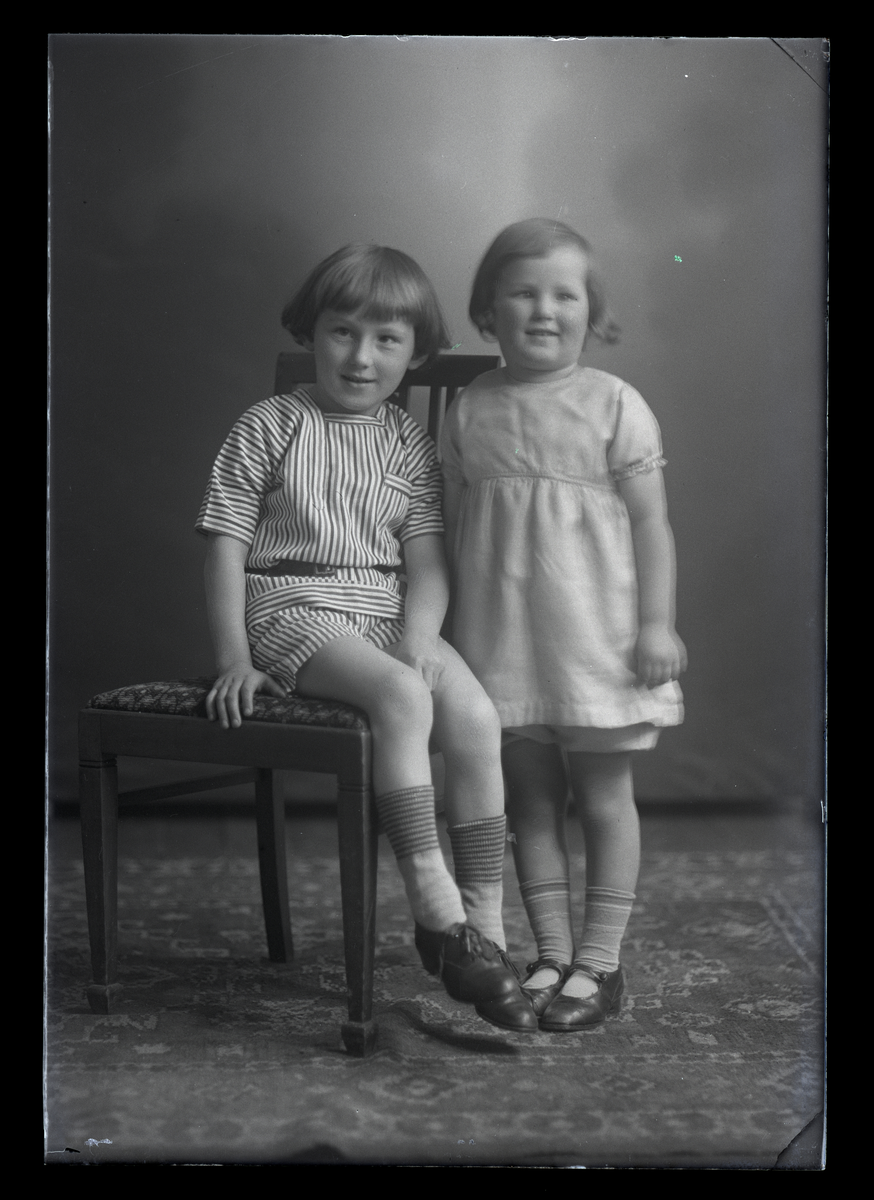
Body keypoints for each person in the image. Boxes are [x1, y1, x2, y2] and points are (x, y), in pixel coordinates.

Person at [195, 243, 536, 1032]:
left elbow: (428, 562)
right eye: (342, 332)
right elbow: (224, 546)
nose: (361, 356)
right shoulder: (269, 424)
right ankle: (434, 904)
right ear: (311, 333)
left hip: (384, 609)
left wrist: (417, 638)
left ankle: (482, 929)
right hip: (291, 604)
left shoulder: (408, 442)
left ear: (415, 352)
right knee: (401, 695)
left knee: (476, 717)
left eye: (387, 340)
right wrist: (232, 658)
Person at [441, 219, 687, 1031]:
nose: (544, 310)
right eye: (523, 293)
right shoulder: (470, 409)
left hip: (595, 642)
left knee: (605, 798)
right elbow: (450, 531)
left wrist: (657, 625)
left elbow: (651, 524)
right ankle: (550, 954)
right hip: (502, 643)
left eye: (564, 295)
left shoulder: (615, 404)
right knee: (530, 805)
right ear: (488, 310)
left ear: (592, 311)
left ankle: (600, 963)